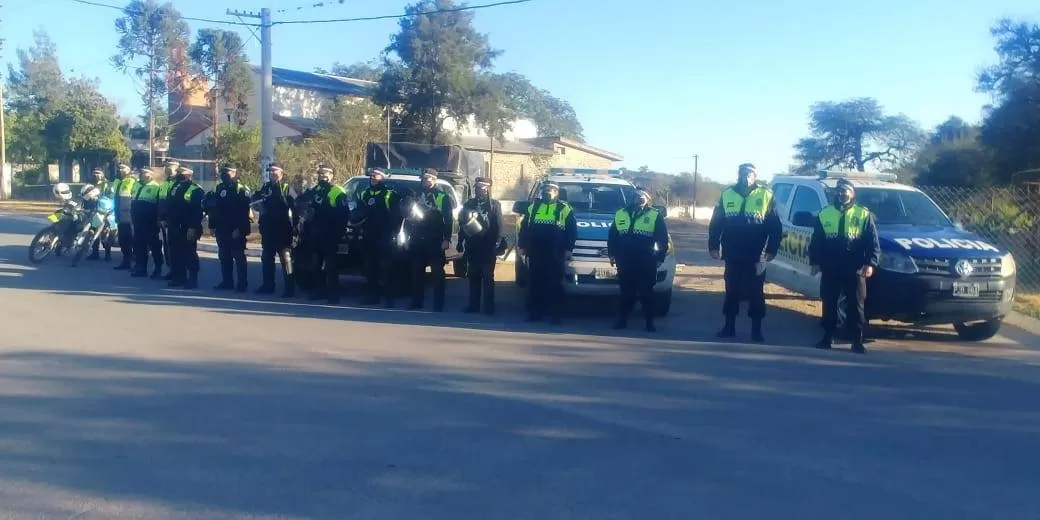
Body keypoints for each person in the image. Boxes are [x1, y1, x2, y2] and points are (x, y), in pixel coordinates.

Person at [707, 163, 782, 343]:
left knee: (756, 292)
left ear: (755, 176)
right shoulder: (727, 194)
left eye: (749, 174)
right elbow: (716, 223)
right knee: (731, 290)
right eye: (743, 173)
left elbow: (775, 227)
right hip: (732, 253)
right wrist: (713, 246)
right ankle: (729, 326)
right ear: (738, 175)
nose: (746, 177)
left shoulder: (766, 195)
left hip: (757, 254)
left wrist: (772, 249)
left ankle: (756, 330)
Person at [809, 178, 880, 353]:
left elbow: (873, 243)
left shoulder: (863, 215)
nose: (842, 193)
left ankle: (857, 341)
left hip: (854, 268)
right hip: (830, 267)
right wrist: (815, 262)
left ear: (852, 193)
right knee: (829, 303)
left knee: (856, 305)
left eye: (846, 190)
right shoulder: (824, 213)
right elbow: (816, 241)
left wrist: (871, 263)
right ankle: (827, 338)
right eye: (839, 191)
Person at [608, 187, 669, 332]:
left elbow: (662, 238)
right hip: (625, 260)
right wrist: (612, 254)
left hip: (646, 260)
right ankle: (622, 321)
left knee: (646, 292)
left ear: (648, 199)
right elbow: (613, 236)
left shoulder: (655, 215)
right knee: (625, 292)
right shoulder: (621, 213)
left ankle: (649, 323)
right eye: (636, 196)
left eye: (643, 196)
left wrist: (660, 256)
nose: (639, 199)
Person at [517, 180, 577, 324]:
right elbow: (524, 228)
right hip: (536, 252)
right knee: (535, 284)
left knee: (556, 284)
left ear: (557, 192)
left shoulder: (564, 208)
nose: (547, 192)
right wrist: (522, 245)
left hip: (555, 253)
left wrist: (569, 248)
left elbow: (572, 231)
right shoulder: (534, 207)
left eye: (551, 190)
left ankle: (557, 316)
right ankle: (535, 314)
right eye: (545, 189)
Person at [403, 168, 455, 311]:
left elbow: (449, 220)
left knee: (437, 273)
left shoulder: (442, 197)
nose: (426, 181)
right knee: (416, 272)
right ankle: (416, 302)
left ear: (435, 179)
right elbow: (408, 218)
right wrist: (407, 237)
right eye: (424, 178)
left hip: (435, 239)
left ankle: (438, 304)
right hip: (417, 238)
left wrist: (446, 239)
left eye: (429, 178)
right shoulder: (416, 194)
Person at [457, 177, 504, 315]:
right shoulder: (469, 204)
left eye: (481, 188)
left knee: (488, 277)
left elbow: (499, 226)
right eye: (476, 188)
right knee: (473, 276)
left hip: (488, 246)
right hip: (473, 246)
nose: (478, 191)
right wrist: (460, 242)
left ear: (488, 189)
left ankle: (489, 307)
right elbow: (462, 224)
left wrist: (497, 243)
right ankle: (473, 305)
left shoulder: (494, 205)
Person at [304, 165, 349, 304]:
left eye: (325, 174)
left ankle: (333, 294)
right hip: (315, 233)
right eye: (320, 174)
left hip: (330, 233)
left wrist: (338, 234)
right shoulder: (315, 190)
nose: (322, 176)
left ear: (331, 176)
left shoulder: (338, 191)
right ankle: (319, 291)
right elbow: (304, 204)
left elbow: (344, 215)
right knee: (315, 264)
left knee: (330, 266)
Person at [359, 168, 403, 307]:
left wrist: (394, 234)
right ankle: (372, 296)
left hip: (385, 236)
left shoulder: (390, 194)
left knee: (387, 268)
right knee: (370, 268)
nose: (372, 177)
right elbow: (358, 213)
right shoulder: (364, 193)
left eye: (375, 175)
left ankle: (389, 298)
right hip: (369, 236)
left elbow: (397, 217)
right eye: (371, 175)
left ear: (382, 178)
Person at [253, 164, 296, 297]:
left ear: (281, 172)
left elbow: (295, 206)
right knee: (267, 257)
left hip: (282, 228)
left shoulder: (287, 187)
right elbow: (255, 200)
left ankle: (289, 288)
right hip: (268, 228)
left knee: (286, 258)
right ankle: (268, 285)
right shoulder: (266, 187)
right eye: (270, 172)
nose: (272, 174)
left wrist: (296, 228)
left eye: (274, 171)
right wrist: (257, 203)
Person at [208, 165, 252, 292]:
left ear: (234, 173)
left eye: (227, 173)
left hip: (235, 228)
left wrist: (239, 228)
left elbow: (244, 211)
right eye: (223, 172)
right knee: (224, 255)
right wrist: (212, 226)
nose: (225, 175)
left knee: (238, 256)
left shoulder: (241, 189)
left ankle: (242, 283)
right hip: (222, 228)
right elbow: (214, 209)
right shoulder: (219, 187)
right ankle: (227, 281)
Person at [167, 166, 205, 289]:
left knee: (189, 253)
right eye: (177, 172)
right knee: (175, 253)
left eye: (180, 173)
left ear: (188, 174)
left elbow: (197, 211)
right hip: (174, 226)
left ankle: (192, 278)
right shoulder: (175, 186)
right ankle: (179, 277)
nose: (177, 175)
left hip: (187, 227)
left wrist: (192, 227)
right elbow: (169, 205)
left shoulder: (195, 189)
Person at [129, 167, 164, 279]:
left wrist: (158, 219)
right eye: (142, 173)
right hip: (138, 221)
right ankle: (141, 268)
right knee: (139, 246)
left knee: (155, 247)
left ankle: (158, 269)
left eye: (145, 173)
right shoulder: (137, 185)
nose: (143, 175)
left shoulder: (156, 187)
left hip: (151, 223)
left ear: (151, 175)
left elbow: (159, 206)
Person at [111, 163, 137, 271]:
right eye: (119, 168)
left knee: (132, 239)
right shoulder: (118, 181)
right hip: (120, 214)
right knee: (123, 240)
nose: (121, 170)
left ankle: (135, 262)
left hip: (129, 215)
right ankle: (126, 262)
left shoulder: (132, 181)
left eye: (123, 168)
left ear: (129, 169)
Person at [157, 160, 180, 279]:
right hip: (163, 220)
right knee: (167, 246)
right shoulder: (165, 182)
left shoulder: (178, 182)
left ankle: (178, 271)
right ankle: (171, 269)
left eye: (169, 167)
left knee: (175, 247)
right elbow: (161, 202)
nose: (166, 169)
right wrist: (160, 218)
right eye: (165, 167)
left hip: (173, 220)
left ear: (176, 168)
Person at [86, 168, 112, 261]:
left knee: (104, 233)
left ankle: (108, 254)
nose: (96, 175)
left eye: (98, 173)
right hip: (92, 210)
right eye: (94, 173)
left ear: (103, 174)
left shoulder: (107, 184)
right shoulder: (90, 184)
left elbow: (110, 197)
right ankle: (95, 253)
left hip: (103, 211)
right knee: (92, 231)